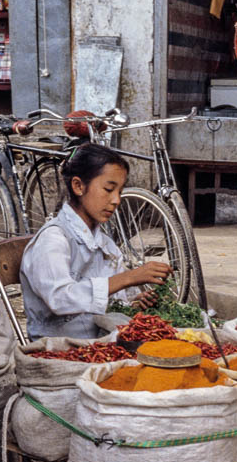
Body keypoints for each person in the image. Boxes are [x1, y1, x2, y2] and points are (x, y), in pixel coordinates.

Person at [20, 143, 172, 341]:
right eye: (108, 189)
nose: (116, 200)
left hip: (100, 342)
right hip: (57, 348)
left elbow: (110, 302)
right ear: (78, 186)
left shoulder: (106, 244)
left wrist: (134, 303)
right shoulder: (53, 240)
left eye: (119, 191)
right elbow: (59, 298)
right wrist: (129, 277)